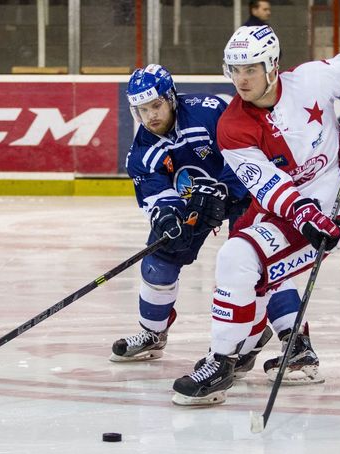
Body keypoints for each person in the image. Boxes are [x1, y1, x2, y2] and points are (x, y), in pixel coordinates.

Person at [171, 25, 340, 406]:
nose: (241, 79)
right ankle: (259, 346)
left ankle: (223, 360)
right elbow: (269, 186)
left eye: (250, 68)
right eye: (234, 69)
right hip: (287, 207)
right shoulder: (232, 126)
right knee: (248, 268)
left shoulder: (311, 80)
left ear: (272, 65)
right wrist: (303, 215)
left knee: (240, 259)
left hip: (331, 201)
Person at [110, 63, 328, 387]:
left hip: (243, 191)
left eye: (156, 105)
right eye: (142, 110)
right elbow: (156, 193)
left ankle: (295, 343)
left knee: (260, 264)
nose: (150, 115)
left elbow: (244, 149)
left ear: (171, 98)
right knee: (158, 263)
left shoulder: (208, 111)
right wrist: (169, 216)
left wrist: (224, 188)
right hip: (195, 204)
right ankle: (152, 333)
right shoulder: (142, 150)